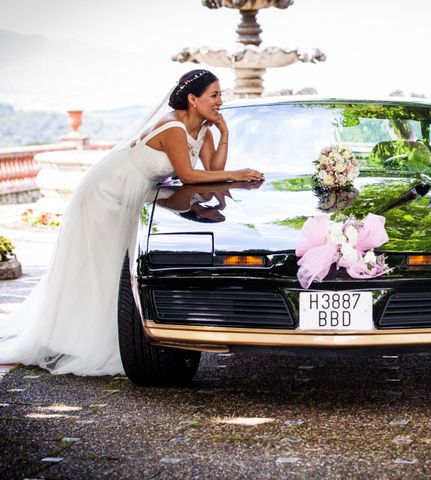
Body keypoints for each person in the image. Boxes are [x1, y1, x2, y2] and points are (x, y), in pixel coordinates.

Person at [0, 69, 263, 376]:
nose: (221, 101)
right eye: (214, 95)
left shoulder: (202, 127)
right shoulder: (174, 126)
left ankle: (102, 336)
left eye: (221, 95)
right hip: (106, 192)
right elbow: (191, 176)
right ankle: (69, 341)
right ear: (193, 99)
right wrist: (237, 174)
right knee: (100, 267)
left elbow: (213, 168)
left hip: (134, 196)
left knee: (115, 270)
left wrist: (224, 134)